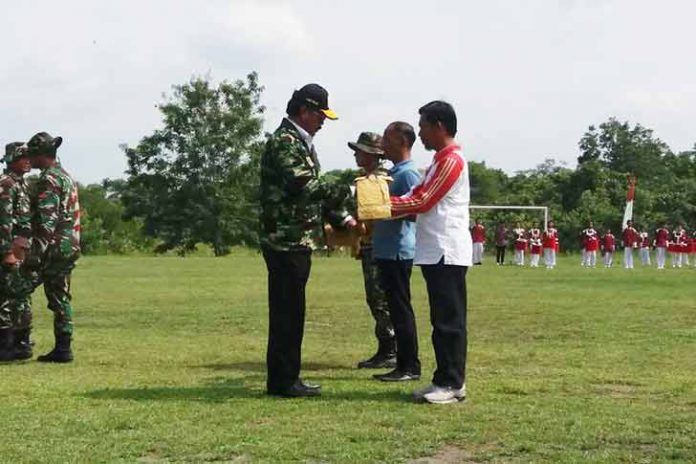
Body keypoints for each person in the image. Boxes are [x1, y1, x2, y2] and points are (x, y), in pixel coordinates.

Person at [259, 84, 355, 397]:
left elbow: (312, 193)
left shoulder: (299, 141)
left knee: (292, 310)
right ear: (304, 110)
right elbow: (304, 185)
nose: (323, 121)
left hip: (296, 239)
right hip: (285, 240)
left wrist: (342, 219)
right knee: (287, 312)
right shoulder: (285, 141)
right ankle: (284, 381)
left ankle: (287, 377)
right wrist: (351, 190)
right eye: (320, 114)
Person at [390, 101, 471, 404]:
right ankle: (443, 379)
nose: (420, 133)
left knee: (449, 320)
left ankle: (452, 383)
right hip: (435, 249)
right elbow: (414, 195)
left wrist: (381, 206)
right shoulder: (439, 160)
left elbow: (423, 200)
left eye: (423, 126)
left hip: (446, 250)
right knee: (441, 320)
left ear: (439, 126)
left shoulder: (452, 160)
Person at [371, 121, 423, 382]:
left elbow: (416, 212)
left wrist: (385, 211)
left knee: (401, 309)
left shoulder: (408, 174)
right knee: (395, 307)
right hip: (387, 250)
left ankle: (409, 365)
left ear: (403, 142)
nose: (383, 145)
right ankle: (403, 364)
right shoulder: (395, 172)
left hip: (398, 252)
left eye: (388, 140)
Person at [26, 132, 81, 363]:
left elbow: (47, 221)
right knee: (61, 294)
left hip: (55, 245)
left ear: (40, 155)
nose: (30, 160)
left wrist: (34, 254)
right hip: (70, 243)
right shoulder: (65, 176)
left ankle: (18, 341)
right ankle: (63, 347)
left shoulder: (49, 179)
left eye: (32, 155)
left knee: (29, 289)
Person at [348, 132, 396, 370]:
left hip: (377, 246)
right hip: (374, 244)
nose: (356, 154)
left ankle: (390, 349)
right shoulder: (371, 179)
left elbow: (372, 217)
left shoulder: (374, 181)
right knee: (379, 298)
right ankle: (388, 348)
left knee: (379, 298)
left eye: (359, 151)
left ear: (371, 155)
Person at [0, 143, 33, 361]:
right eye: (24, 156)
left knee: (20, 296)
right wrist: (5, 252)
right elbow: (3, 221)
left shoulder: (21, 184)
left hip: (21, 249)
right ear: (13, 159)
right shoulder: (7, 184)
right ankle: (4, 345)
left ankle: (20, 342)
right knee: (5, 298)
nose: (28, 160)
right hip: (9, 248)